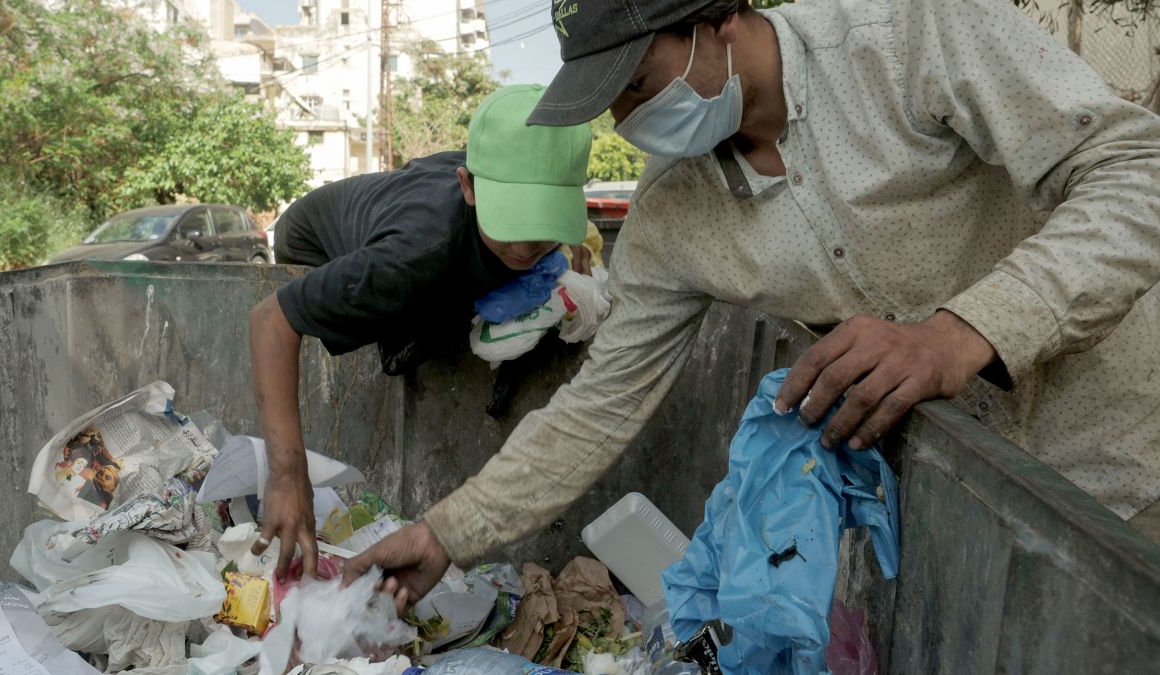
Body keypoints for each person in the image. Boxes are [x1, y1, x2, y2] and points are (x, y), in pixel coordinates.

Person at [345, 0, 1160, 606]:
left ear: (720, 19)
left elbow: (1136, 172)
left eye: (638, 85)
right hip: (955, 524)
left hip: (1124, 464)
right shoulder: (673, 214)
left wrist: (964, 332)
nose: (631, 123)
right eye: (613, 108)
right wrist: (447, 531)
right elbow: (597, 407)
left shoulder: (902, 37)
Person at [248, 84, 594, 579]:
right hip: (312, 239)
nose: (526, 245)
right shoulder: (414, 256)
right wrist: (287, 475)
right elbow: (270, 319)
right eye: (511, 221)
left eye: (543, 222)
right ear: (469, 186)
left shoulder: (526, 212)